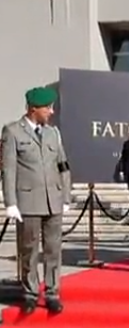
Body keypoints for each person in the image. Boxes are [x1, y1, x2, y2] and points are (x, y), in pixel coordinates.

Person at [1, 86, 71, 315]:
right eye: (47, 108)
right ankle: (30, 293)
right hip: (28, 201)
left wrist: (66, 195)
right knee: (28, 250)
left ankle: (52, 293)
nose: (51, 112)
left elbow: (63, 165)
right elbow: (8, 170)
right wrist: (10, 202)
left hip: (53, 200)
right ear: (33, 109)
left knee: (53, 249)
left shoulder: (53, 133)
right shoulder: (12, 132)